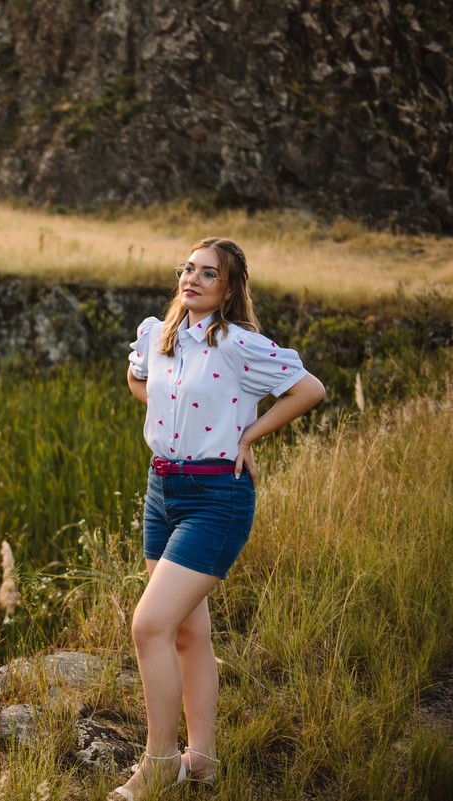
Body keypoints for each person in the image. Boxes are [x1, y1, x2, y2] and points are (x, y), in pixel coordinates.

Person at [109, 237, 326, 800]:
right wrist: (172, 409)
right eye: (188, 269)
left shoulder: (240, 344)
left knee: (148, 626)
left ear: (229, 289)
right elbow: (140, 381)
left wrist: (245, 434)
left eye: (209, 273)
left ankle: (159, 762)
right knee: (187, 632)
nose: (193, 278)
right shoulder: (156, 333)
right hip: (162, 491)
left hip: (216, 499)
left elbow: (309, 389)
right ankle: (201, 760)